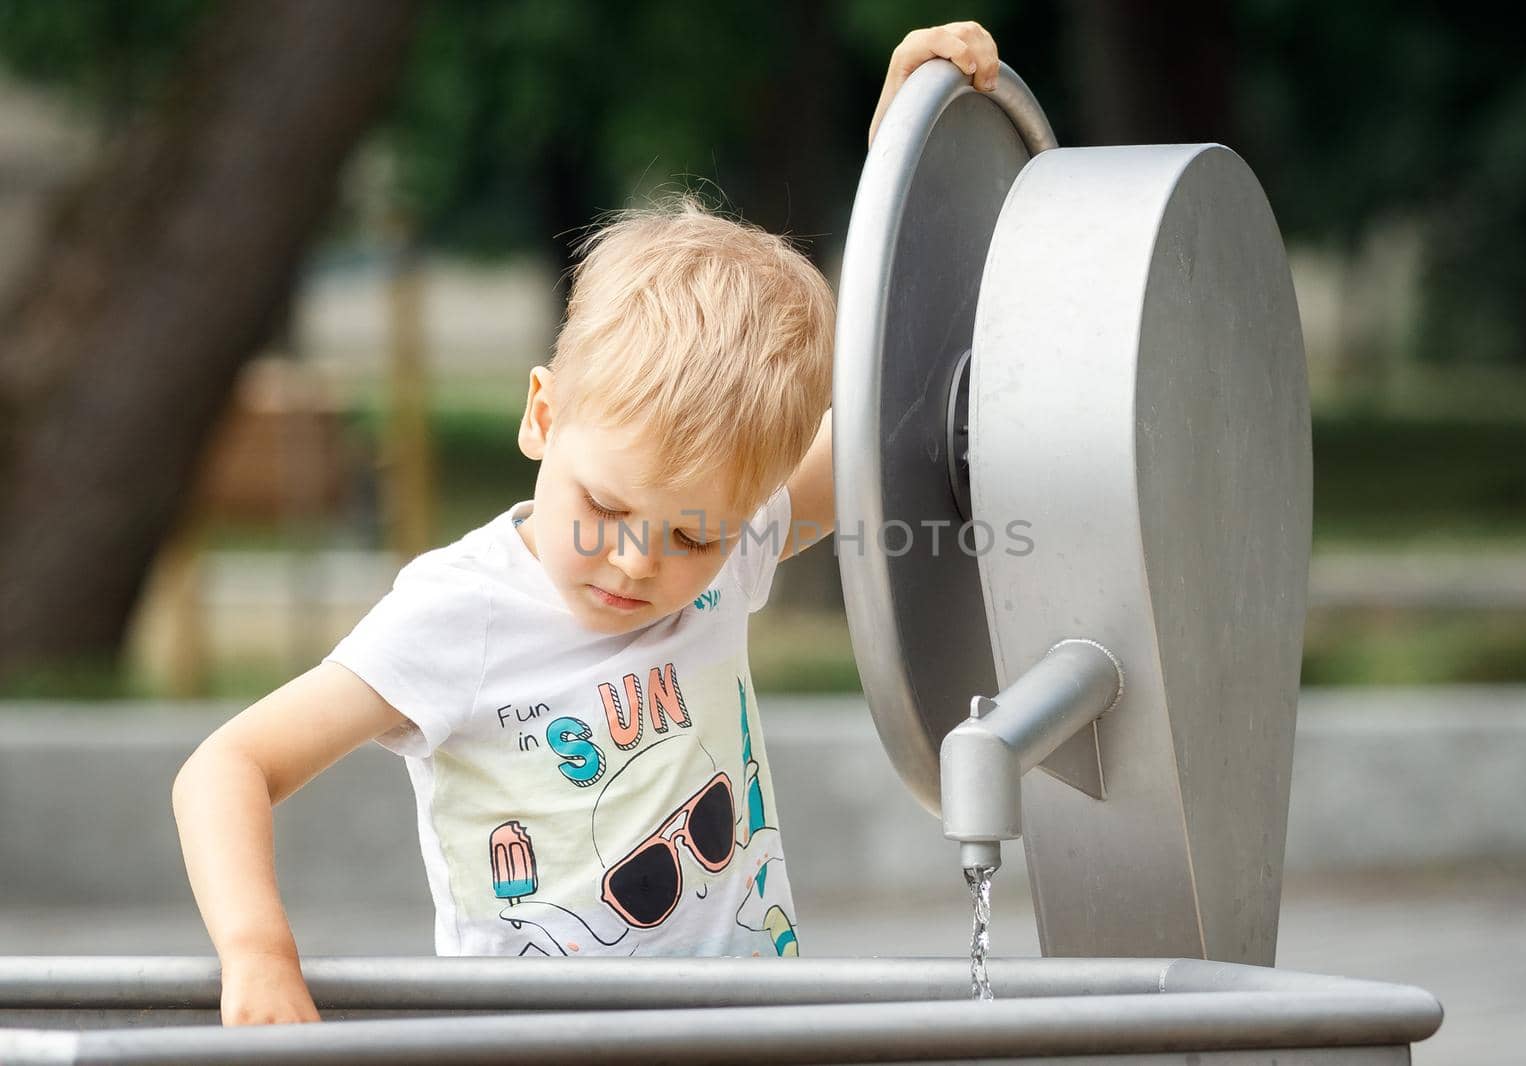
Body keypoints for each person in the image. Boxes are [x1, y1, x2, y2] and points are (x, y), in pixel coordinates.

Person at [172, 21, 1003, 1026]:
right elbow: (227, 766)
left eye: (691, 537)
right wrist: (257, 950)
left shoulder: (732, 544)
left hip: (749, 1032)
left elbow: (890, 398)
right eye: (605, 508)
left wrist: (902, 150)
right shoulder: (460, 612)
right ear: (541, 413)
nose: (635, 560)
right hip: (537, 1044)